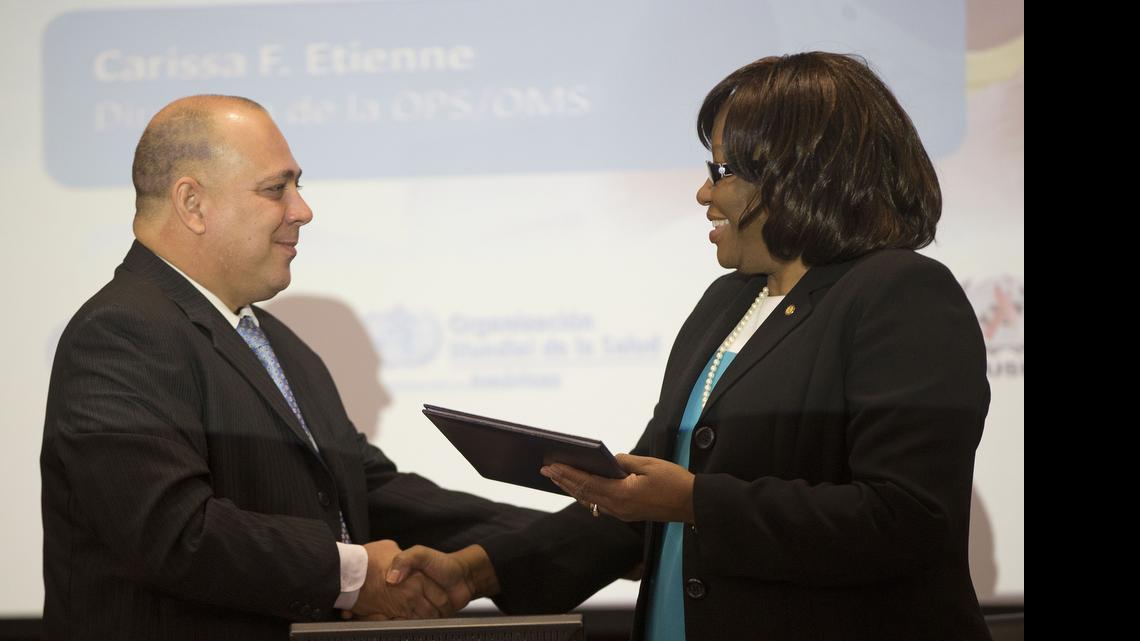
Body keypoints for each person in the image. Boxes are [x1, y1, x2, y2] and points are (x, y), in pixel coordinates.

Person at [387, 52, 994, 640]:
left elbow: (906, 519)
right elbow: (642, 505)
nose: (705, 195)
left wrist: (698, 501)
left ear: (804, 174)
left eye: (723, 172)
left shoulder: (900, 293)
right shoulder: (725, 303)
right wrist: (477, 569)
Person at [40, 95, 537, 641]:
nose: (302, 210)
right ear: (193, 203)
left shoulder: (279, 344)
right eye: (276, 188)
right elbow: (173, 532)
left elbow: (366, 492)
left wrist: (590, 536)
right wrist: (352, 575)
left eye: (297, 186)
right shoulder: (119, 332)